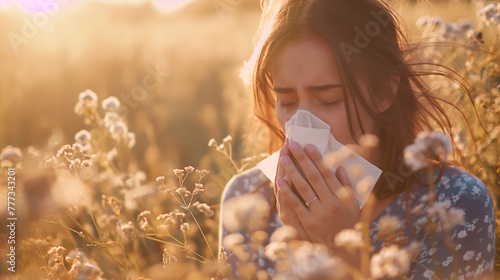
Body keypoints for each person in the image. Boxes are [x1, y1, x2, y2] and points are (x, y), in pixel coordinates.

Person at [218, 0, 496, 278]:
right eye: (287, 101)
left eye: (329, 99)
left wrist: (344, 253)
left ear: (384, 92)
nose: (302, 123)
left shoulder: (453, 203)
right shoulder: (246, 201)